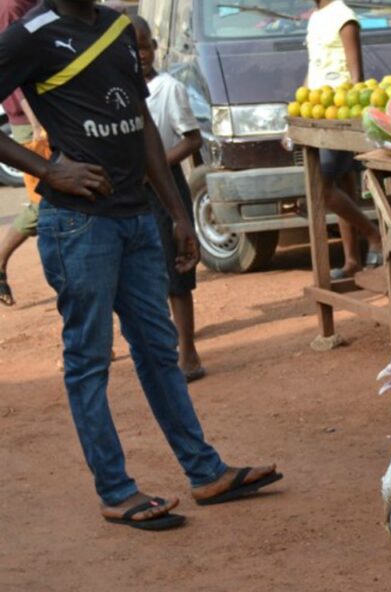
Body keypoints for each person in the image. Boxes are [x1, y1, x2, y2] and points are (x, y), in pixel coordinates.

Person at [0, 0, 282, 530]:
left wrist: (177, 213)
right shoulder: (29, 36)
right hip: (80, 226)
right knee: (89, 360)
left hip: (136, 219)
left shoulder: (114, 26)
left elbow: (141, 122)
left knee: (157, 350)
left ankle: (205, 473)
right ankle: (115, 491)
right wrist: (47, 171)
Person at [133, 16, 205, 382]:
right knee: (145, 273)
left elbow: (193, 140)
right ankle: (159, 349)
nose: (139, 54)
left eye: (144, 46)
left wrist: (156, 166)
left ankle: (188, 352)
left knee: (178, 270)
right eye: (132, 48)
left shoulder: (168, 88)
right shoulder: (117, 91)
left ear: (155, 48)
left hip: (165, 187)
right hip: (131, 191)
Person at [306, 0, 382, 279]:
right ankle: (352, 261)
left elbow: (356, 75)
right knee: (344, 184)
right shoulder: (315, 17)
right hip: (318, 112)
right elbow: (314, 69)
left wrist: (350, 119)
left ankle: (374, 235)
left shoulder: (344, 17)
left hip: (340, 115)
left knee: (323, 187)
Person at [0, 0, 39, 307]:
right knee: (44, 203)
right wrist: (36, 121)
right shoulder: (11, 6)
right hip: (29, 119)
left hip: (50, 108)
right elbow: (12, 70)